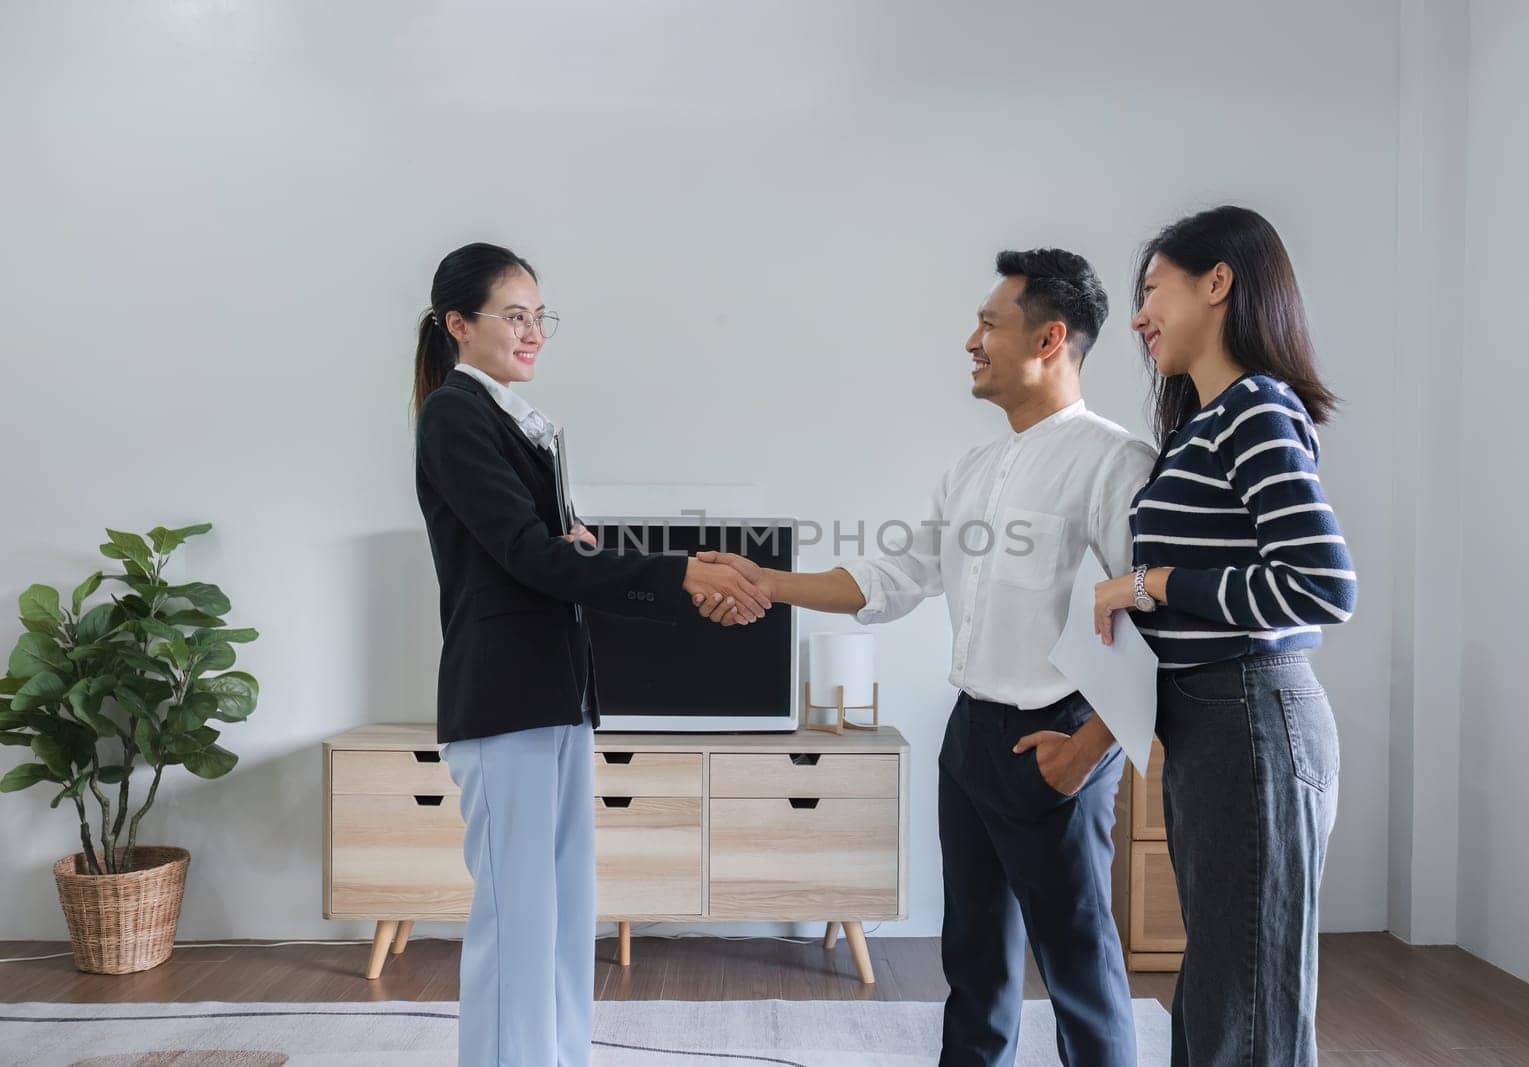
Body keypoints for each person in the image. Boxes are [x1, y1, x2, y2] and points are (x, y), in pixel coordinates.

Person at [700, 250, 1154, 1066]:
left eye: (989, 323)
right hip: (971, 737)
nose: (971, 341)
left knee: (1078, 969)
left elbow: (1149, 615)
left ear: (1050, 338)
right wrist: (769, 580)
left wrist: (1085, 754)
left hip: (1058, 740)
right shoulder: (972, 469)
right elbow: (892, 577)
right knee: (973, 962)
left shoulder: (1115, 462)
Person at [411, 242, 770, 1066]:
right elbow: (529, 557)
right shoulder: (455, 414)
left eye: (542, 317)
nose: (533, 332)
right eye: (515, 316)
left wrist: (571, 545)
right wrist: (676, 570)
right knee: (517, 919)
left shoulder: (508, 418)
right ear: (458, 326)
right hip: (504, 703)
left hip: (554, 697)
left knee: (564, 914)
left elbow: (542, 552)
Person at [1094, 206, 1358, 1066]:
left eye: (1151, 289)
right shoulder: (1199, 426)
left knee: (1246, 1000)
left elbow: (1321, 583)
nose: (1138, 317)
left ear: (1218, 283)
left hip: (1252, 716)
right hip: (1212, 722)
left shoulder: (1255, 407)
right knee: (1221, 987)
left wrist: (1154, 583)